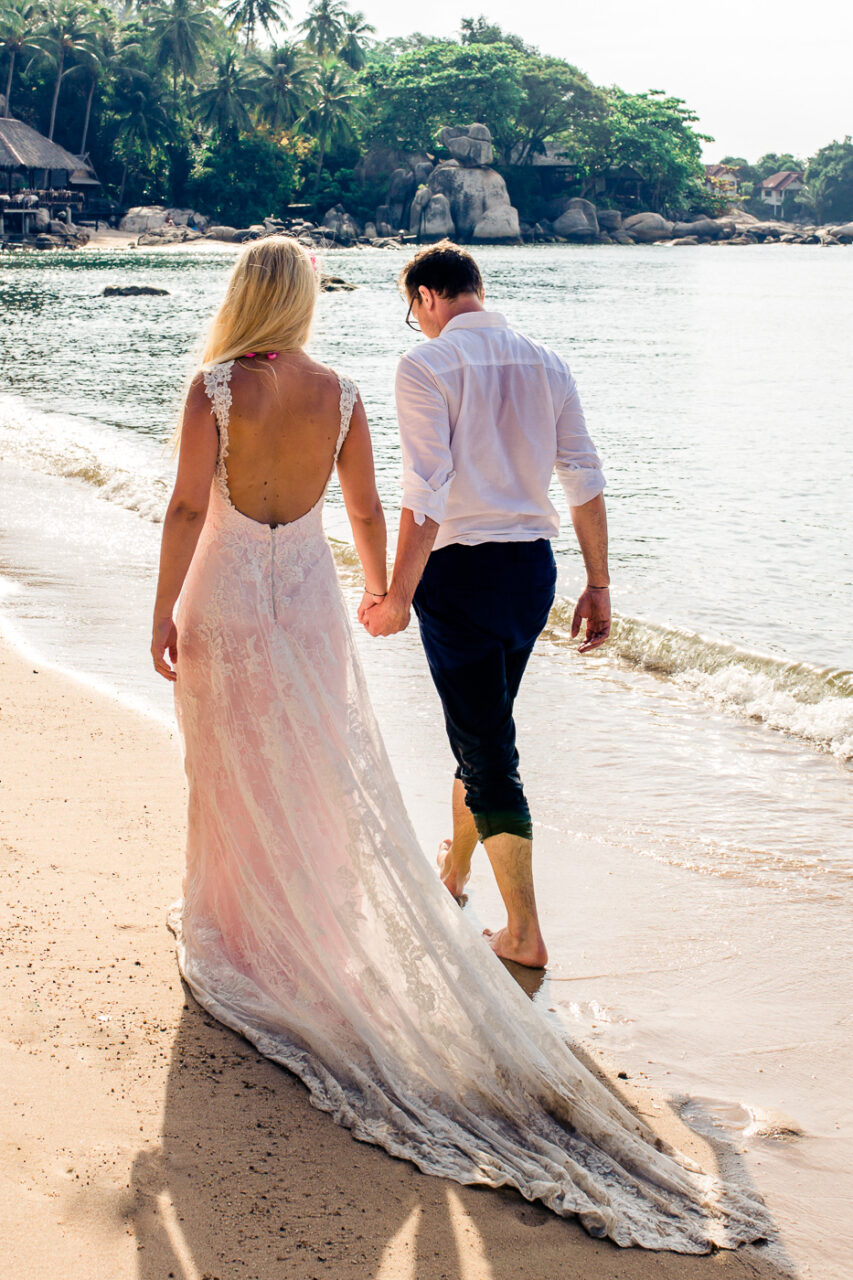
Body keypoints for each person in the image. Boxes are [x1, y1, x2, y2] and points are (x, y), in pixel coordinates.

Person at [150, 235, 767, 1251]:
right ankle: (401, 889)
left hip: (307, 588)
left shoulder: (252, 381)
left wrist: (181, 607)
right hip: (417, 584)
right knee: (351, 759)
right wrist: (417, 585)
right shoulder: (383, 386)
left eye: (414, 305)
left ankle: (343, 925)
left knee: (296, 761)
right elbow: (411, 498)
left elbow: (219, 502)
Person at [363, 242, 610, 969]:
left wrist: (395, 597)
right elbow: (583, 473)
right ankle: (457, 869)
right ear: (476, 287)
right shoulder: (546, 360)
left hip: (460, 576)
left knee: (488, 753)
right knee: (483, 728)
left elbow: (425, 493)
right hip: (532, 570)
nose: (419, 323)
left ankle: (523, 933)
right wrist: (597, 583)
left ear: (427, 298)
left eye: (415, 312)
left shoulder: (425, 364)